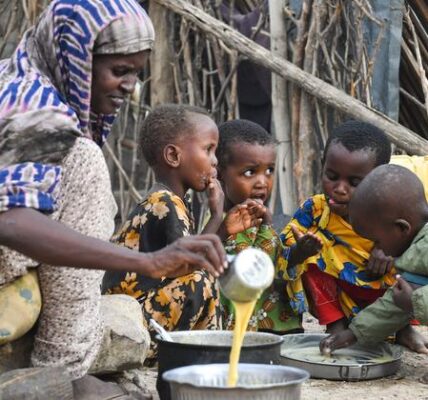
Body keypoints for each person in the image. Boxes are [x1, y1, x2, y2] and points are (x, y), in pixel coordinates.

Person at [0, 0, 226, 395]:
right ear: (74, 57)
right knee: (84, 162)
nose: (129, 86)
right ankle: (64, 371)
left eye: (135, 74)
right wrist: (148, 261)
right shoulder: (32, 103)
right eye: (118, 71)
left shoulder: (20, 84)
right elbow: (10, 220)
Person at [101, 106, 261, 356]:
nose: (215, 160)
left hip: (142, 313)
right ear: (174, 156)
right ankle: (208, 349)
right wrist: (217, 214)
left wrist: (223, 230)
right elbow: (193, 265)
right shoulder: (165, 202)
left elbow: (185, 261)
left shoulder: (169, 199)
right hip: (133, 325)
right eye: (208, 149)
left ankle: (210, 346)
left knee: (203, 278)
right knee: (202, 282)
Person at [277, 120, 421, 345]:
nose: (340, 188)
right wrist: (300, 250)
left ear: (377, 178)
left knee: (409, 271)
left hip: (386, 295)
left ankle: (404, 329)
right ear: (322, 166)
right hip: (341, 293)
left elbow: (418, 249)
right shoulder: (315, 209)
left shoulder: (391, 212)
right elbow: (281, 249)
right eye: (332, 176)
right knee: (313, 254)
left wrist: (389, 252)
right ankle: (336, 325)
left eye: (355, 182)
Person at [320, 165, 428, 354]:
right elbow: (393, 307)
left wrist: (415, 301)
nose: (377, 248)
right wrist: (353, 334)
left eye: (376, 241)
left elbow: (411, 300)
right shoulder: (416, 254)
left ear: (402, 229)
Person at [216, 119, 302, 333]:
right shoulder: (217, 220)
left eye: (269, 171)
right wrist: (223, 232)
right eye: (249, 172)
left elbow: (275, 269)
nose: (263, 182)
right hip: (231, 330)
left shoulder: (266, 222)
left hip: (274, 327)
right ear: (219, 174)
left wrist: (300, 252)